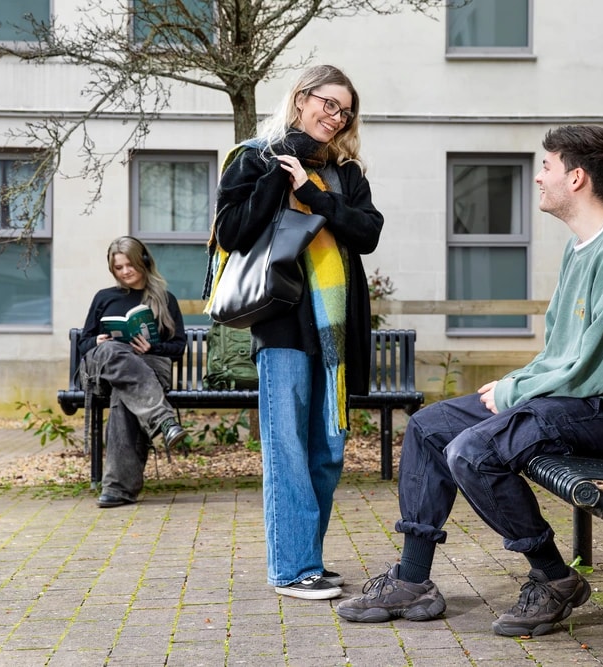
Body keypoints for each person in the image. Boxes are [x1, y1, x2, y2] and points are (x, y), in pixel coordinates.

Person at [336, 125, 603, 636]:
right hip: (575, 400)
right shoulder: (582, 247)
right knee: (431, 426)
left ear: (578, 177)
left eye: (546, 166)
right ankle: (413, 579)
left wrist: (515, 392)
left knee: (472, 452)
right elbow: (562, 354)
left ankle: (553, 577)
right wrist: (516, 381)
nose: (539, 178)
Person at [203, 65, 383, 600]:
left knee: (327, 451)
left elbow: (368, 233)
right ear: (301, 99)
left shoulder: (345, 172)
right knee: (286, 450)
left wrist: (317, 193)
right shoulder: (253, 157)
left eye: (345, 110)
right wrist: (278, 179)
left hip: (334, 332)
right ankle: (290, 569)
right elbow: (232, 232)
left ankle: (309, 559)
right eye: (329, 104)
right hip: (280, 326)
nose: (336, 117)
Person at [78, 236, 188, 508]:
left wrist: (154, 346)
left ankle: (118, 490)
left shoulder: (164, 299)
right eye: (119, 267)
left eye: (130, 264)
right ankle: (164, 420)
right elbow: (84, 342)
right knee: (113, 351)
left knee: (124, 394)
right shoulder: (104, 298)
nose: (125, 271)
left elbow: (178, 347)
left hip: (147, 368)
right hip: (105, 369)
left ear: (145, 261)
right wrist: (97, 342)